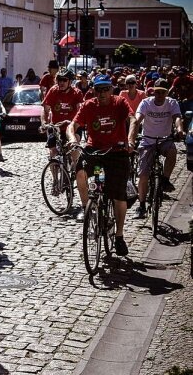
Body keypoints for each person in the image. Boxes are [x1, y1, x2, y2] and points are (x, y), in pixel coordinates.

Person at [67, 74, 135, 256]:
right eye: (98, 89)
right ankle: (85, 208)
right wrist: (73, 139)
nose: (102, 93)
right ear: (93, 90)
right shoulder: (89, 105)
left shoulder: (119, 102)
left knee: (118, 195)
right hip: (94, 151)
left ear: (111, 89)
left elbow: (133, 119)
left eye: (105, 89)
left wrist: (129, 139)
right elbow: (72, 125)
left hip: (116, 152)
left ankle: (119, 236)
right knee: (80, 171)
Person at [129, 79, 184, 219]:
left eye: (162, 92)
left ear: (167, 92)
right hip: (148, 140)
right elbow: (137, 120)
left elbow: (177, 117)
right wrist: (132, 138)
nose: (159, 95)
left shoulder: (172, 103)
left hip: (165, 139)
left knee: (172, 151)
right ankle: (141, 205)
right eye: (156, 92)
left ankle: (165, 179)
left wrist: (179, 130)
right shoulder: (146, 103)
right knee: (143, 175)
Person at [41, 68, 84, 161]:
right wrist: (44, 123)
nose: (62, 82)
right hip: (56, 126)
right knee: (52, 152)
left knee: (73, 147)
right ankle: (55, 175)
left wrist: (77, 123)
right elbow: (45, 109)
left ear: (70, 82)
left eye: (65, 80)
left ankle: (75, 170)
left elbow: (80, 110)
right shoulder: (53, 91)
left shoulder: (77, 93)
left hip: (72, 127)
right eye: (59, 80)